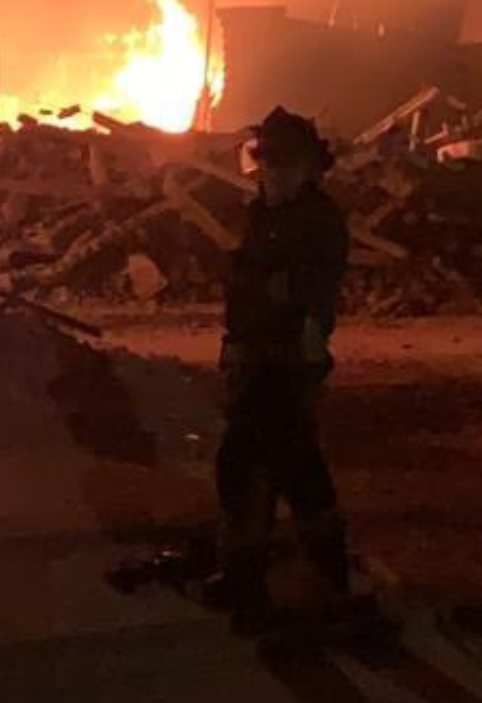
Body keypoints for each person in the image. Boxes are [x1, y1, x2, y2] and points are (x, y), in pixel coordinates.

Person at [205, 106, 352, 630]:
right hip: (253, 358)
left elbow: (305, 293)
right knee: (263, 469)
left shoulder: (319, 220)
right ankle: (253, 578)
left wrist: (268, 288)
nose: (275, 173)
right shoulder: (263, 214)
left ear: (311, 168)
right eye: (269, 163)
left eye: (287, 165)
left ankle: (315, 584)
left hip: (289, 363)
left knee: (274, 467)